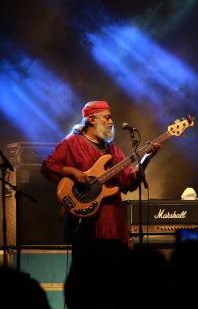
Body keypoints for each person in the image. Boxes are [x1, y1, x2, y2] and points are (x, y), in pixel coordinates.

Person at [41, 101, 159, 256]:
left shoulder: (113, 149)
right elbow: (48, 166)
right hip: (84, 225)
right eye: (106, 118)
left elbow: (127, 180)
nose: (111, 122)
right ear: (91, 119)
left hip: (113, 224)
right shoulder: (72, 143)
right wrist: (72, 172)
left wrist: (146, 159)